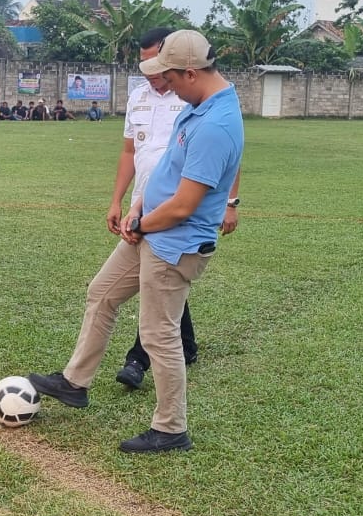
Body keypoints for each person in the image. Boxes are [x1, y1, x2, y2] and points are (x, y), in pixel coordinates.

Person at [28, 30, 243, 453]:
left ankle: (170, 429)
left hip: (173, 243)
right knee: (102, 293)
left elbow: (184, 205)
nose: (163, 86)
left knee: (159, 333)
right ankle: (75, 382)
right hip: (149, 229)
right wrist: (136, 207)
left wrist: (143, 225)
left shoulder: (217, 124)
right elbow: (166, 168)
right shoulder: (198, 106)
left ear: (191, 72)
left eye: (170, 78)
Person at [108, 27, 241, 391]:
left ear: (187, 70)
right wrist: (124, 201)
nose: (157, 74)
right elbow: (131, 152)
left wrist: (231, 203)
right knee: (160, 299)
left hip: (170, 220)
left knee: (158, 318)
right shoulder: (145, 98)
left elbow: (219, 166)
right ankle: (187, 347)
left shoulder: (202, 107)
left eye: (164, 67)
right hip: (147, 206)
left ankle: (143, 374)